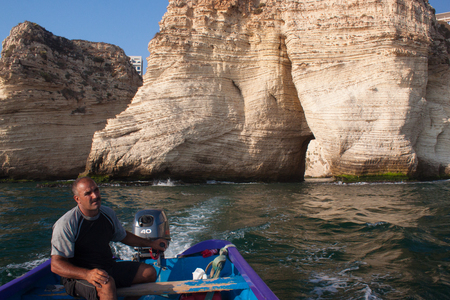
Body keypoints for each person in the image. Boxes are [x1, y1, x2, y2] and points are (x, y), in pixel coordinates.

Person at [51, 177, 168, 300]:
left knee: (149, 273)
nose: (95, 196)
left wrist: (151, 244)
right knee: (107, 284)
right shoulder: (66, 224)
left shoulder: (108, 214)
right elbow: (56, 265)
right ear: (77, 199)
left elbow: (123, 236)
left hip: (106, 267)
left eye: (96, 190)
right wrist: (87, 274)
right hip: (78, 277)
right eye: (88, 194)